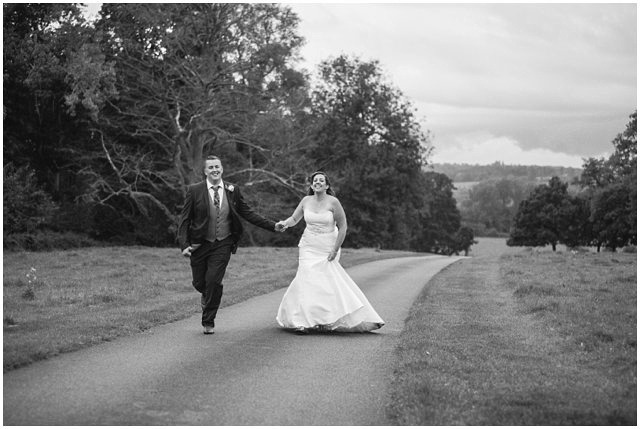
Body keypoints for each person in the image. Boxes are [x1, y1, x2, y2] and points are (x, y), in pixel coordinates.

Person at [178, 155, 285, 334]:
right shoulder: (194, 190)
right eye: (210, 167)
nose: (214, 170)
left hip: (223, 243)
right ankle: (207, 294)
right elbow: (184, 219)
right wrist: (184, 244)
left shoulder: (232, 190)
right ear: (205, 171)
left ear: (222, 169)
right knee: (200, 283)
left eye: (217, 167)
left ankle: (208, 321)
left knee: (213, 280)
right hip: (200, 243)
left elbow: (248, 213)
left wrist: (273, 226)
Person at [275, 171, 385, 334]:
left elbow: (343, 227)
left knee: (326, 282)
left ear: (327, 185)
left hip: (327, 247)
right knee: (306, 278)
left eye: (321, 180)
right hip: (308, 246)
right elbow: (294, 219)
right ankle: (301, 321)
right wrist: (284, 223)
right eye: (315, 180)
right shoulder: (306, 201)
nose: (318, 182)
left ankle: (326, 318)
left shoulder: (334, 202)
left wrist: (335, 249)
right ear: (312, 185)